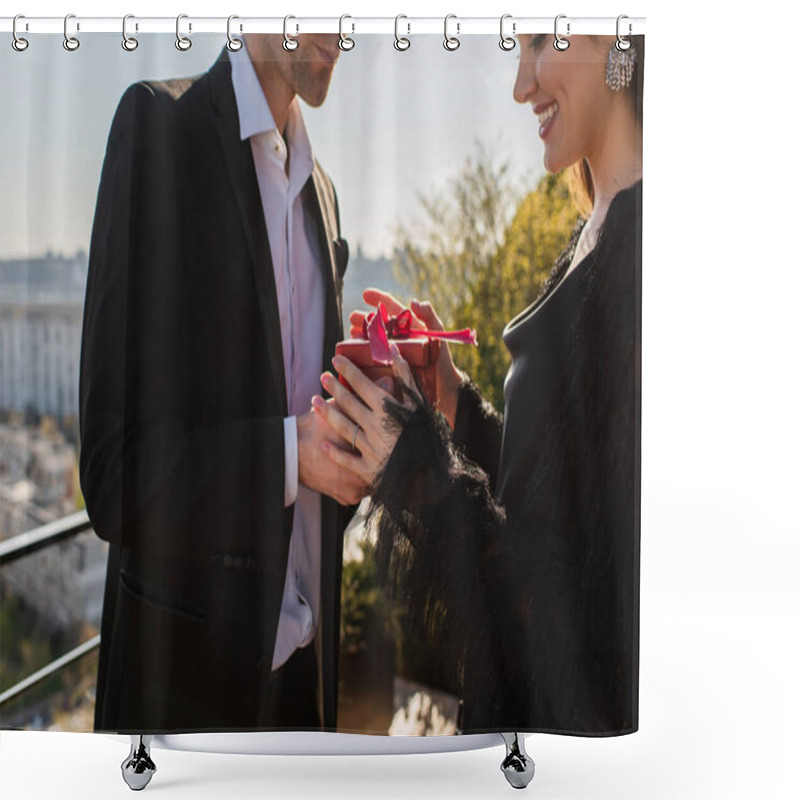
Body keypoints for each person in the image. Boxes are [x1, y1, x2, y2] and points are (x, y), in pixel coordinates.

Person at [312, 33, 643, 734]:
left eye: (541, 43)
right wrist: (456, 406)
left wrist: (415, 463)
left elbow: (581, 620)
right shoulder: (601, 231)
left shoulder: (646, 259)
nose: (522, 85)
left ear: (621, 35)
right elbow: (560, 498)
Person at [79, 33, 366, 733]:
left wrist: (369, 419)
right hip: (186, 703)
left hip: (305, 695)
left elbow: (316, 483)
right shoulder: (157, 131)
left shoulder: (322, 194)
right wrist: (289, 457)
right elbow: (115, 475)